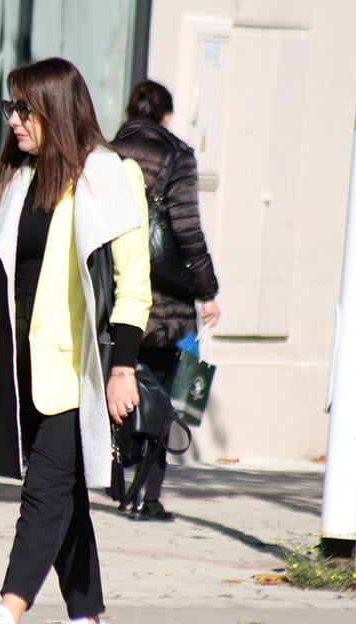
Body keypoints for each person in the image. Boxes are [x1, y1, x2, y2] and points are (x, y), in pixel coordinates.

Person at [0, 57, 151, 624]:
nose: (13, 119)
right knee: (65, 499)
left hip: (76, 368)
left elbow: (134, 284)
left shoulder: (108, 174)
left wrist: (123, 367)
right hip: (20, 365)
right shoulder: (17, 180)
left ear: (56, 108)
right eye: (10, 107)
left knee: (45, 491)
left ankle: (8, 614)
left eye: (24, 108)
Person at [111, 80, 221, 521]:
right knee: (156, 395)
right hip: (162, 301)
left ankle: (116, 480)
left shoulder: (106, 153)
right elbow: (187, 230)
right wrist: (207, 290)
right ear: (167, 116)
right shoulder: (177, 156)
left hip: (113, 293)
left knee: (114, 383)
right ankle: (146, 496)